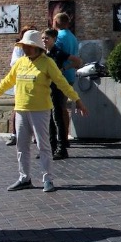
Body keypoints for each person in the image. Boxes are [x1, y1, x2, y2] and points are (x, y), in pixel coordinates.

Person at [0, 30, 88, 193]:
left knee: (43, 145)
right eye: (23, 46)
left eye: (28, 46)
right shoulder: (21, 62)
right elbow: (8, 80)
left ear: (37, 47)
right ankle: (24, 178)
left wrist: (77, 100)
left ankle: (48, 179)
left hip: (40, 110)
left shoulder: (47, 62)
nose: (25, 49)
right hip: (21, 109)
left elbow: (62, 82)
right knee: (21, 146)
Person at [42, 29, 82, 160]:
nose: (44, 41)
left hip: (56, 87)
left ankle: (61, 148)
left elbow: (77, 61)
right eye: (42, 38)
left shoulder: (58, 52)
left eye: (46, 38)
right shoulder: (42, 53)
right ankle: (51, 147)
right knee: (49, 119)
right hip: (46, 88)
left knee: (57, 117)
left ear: (54, 39)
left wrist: (64, 69)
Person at [5, 24, 38, 146]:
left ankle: (35, 134)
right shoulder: (19, 47)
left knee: (35, 109)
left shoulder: (38, 47)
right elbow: (13, 63)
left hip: (35, 83)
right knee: (18, 108)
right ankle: (15, 134)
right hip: (21, 83)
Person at [52, 12, 78, 152]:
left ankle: (61, 138)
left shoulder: (59, 38)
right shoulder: (73, 37)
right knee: (62, 108)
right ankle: (65, 137)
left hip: (60, 77)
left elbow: (56, 55)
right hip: (70, 76)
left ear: (57, 22)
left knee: (57, 109)